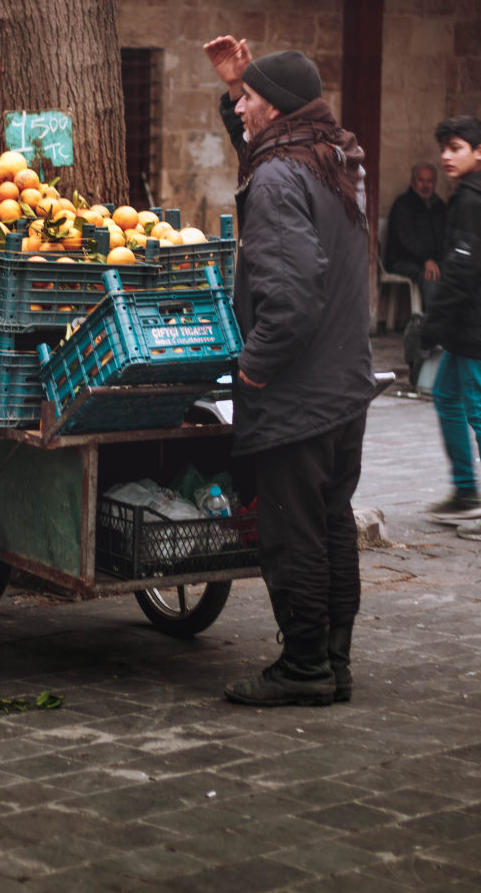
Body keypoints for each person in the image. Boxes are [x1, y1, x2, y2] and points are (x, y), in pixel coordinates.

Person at [204, 35, 375, 707]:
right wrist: (236, 84)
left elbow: (292, 294)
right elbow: (266, 148)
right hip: (345, 384)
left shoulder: (277, 178)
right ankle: (334, 661)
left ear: (272, 109)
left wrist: (254, 367)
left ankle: (303, 668)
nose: (239, 109)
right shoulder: (338, 157)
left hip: (297, 391)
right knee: (332, 523)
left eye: (246, 101)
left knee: (294, 532)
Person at [419, 116, 481, 535]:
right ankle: (464, 491)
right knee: (445, 394)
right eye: (443, 147)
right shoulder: (467, 195)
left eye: (455, 147)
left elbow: (460, 271)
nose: (446, 155)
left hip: (473, 327)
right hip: (465, 327)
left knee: (476, 408)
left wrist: (430, 326)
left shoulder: (470, 200)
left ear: (478, 152)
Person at [385, 161, 447, 312]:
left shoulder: (440, 206)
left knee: (456, 272)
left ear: (435, 183)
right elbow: (406, 238)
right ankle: (433, 324)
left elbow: (447, 235)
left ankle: (454, 324)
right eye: (421, 180)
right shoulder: (403, 204)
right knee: (430, 275)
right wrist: (426, 259)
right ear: (413, 182)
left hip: (432, 260)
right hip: (402, 260)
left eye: (430, 181)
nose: (425, 185)